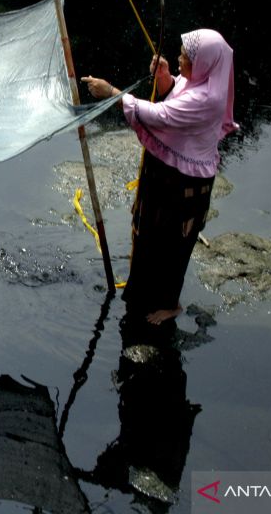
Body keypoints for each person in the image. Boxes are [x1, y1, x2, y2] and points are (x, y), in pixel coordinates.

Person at [81, 29, 238, 325]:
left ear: (203, 62)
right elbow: (176, 90)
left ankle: (169, 304)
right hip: (164, 171)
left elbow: (160, 116)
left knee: (172, 243)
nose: (178, 59)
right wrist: (165, 78)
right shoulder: (196, 81)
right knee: (148, 232)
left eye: (184, 57)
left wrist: (111, 93)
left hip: (185, 184)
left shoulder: (207, 99)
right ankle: (142, 292)